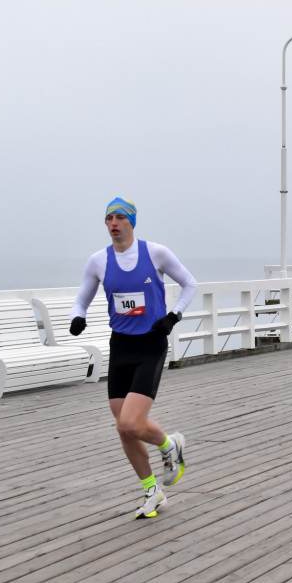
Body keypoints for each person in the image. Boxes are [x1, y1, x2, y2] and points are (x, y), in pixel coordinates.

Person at [70, 198, 198, 519]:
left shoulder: (155, 253)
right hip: (121, 348)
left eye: (119, 218)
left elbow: (189, 284)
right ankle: (153, 492)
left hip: (151, 344)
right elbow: (81, 298)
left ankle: (170, 445)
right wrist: (78, 317)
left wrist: (173, 316)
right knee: (124, 429)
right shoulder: (98, 261)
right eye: (109, 218)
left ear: (131, 222)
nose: (113, 223)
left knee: (131, 421)